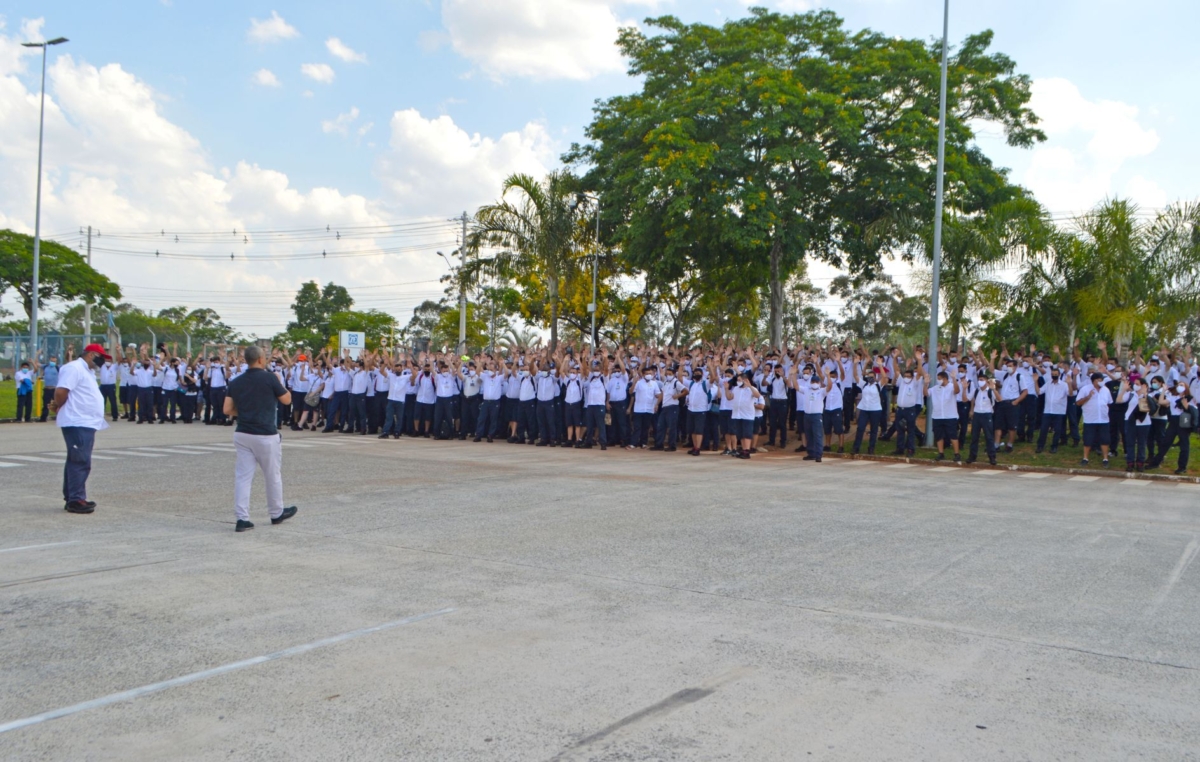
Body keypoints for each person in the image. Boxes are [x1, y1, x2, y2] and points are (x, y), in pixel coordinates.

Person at [224, 345, 297, 533]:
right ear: (260, 360)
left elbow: (227, 409)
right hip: (265, 434)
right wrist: (281, 383)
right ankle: (276, 513)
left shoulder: (236, 381)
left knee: (243, 477)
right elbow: (286, 400)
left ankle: (242, 518)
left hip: (242, 432)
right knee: (272, 475)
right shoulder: (270, 378)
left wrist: (246, 411)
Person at [50, 344, 111, 514]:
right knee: (80, 461)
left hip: (85, 421)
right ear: (91, 355)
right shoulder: (74, 368)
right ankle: (76, 500)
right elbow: (61, 391)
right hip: (77, 421)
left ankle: (72, 496)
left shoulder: (88, 371)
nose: (102, 362)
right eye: (101, 358)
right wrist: (59, 406)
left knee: (76, 460)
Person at [1077, 372, 1113, 468]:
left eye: (1101, 380)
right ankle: (1085, 458)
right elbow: (1078, 403)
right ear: (1093, 381)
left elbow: (1109, 402)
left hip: (1103, 420)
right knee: (1088, 440)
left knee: (1105, 440)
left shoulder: (1106, 390)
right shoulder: (1085, 389)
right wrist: (1088, 397)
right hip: (1090, 419)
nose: (1100, 382)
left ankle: (1105, 459)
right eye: (1098, 380)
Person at [38, 354, 60, 422]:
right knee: (45, 404)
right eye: (51, 359)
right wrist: (37, 354)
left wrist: (70, 355)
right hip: (47, 388)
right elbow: (37, 364)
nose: (52, 361)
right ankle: (43, 418)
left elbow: (69, 364)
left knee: (57, 403)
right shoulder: (45, 366)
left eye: (54, 360)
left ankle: (60, 417)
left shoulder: (58, 367)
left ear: (56, 360)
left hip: (54, 389)